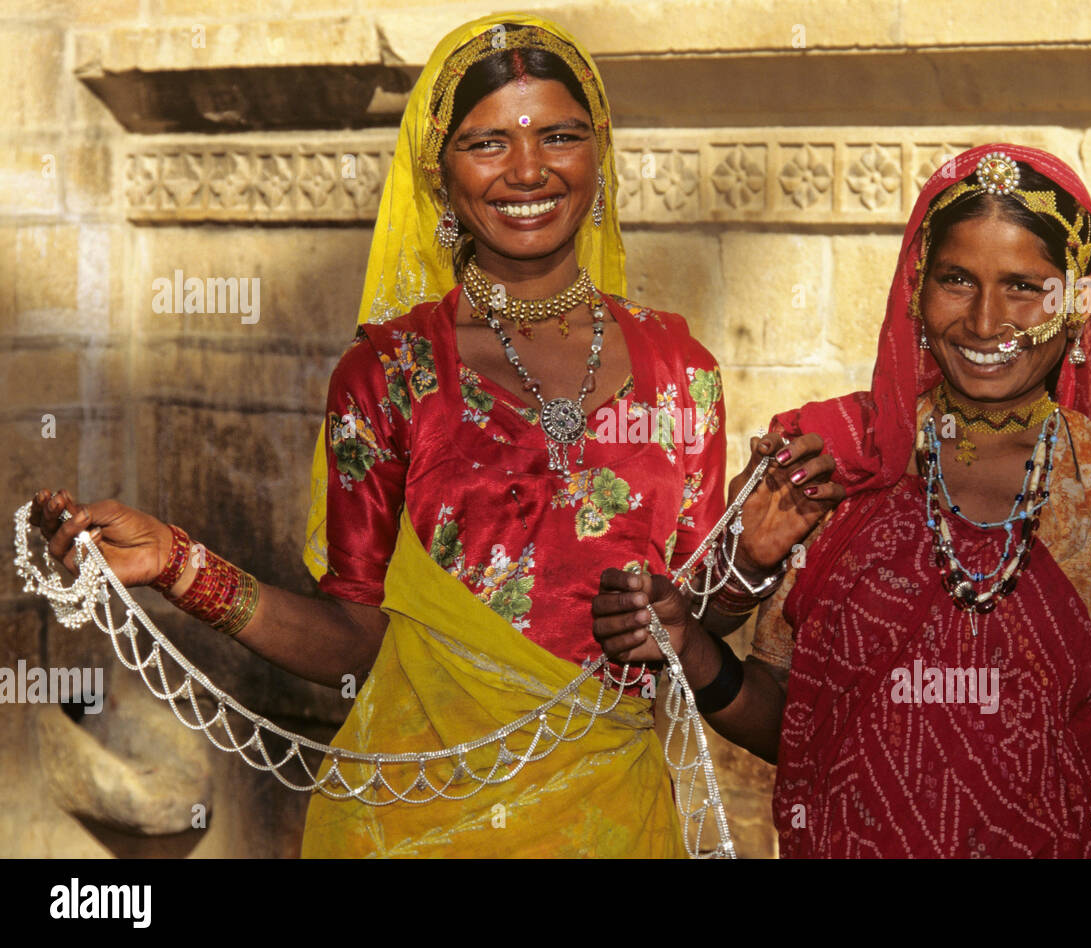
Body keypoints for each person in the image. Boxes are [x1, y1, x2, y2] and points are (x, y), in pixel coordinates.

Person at [30, 13, 835, 858]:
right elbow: (354, 641)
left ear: (599, 155)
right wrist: (178, 566)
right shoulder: (389, 375)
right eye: (488, 144)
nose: (529, 170)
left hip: (614, 817)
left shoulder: (681, 369)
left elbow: (682, 631)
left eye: (559, 135)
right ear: (438, 172)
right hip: (415, 824)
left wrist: (752, 554)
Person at [592, 143, 1091, 857]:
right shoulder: (839, 462)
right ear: (915, 291)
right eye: (957, 280)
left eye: (1024, 286)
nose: (986, 321)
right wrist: (694, 635)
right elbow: (793, 725)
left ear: (1079, 305)